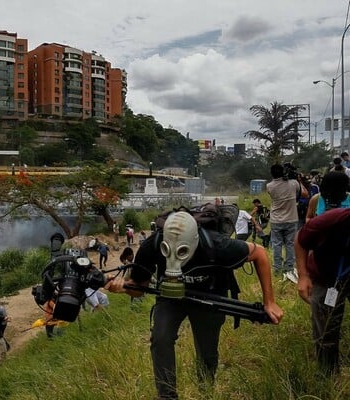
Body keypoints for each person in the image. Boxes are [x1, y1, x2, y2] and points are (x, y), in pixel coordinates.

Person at [105, 211, 283, 400]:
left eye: (181, 251)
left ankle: (206, 389)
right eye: (169, 250)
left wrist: (269, 302)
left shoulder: (217, 245)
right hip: (170, 296)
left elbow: (260, 253)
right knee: (161, 337)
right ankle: (166, 396)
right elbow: (139, 289)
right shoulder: (154, 245)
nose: (174, 257)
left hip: (210, 295)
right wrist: (123, 288)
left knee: (207, 352)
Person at [295, 207, 350, 376]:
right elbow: (301, 240)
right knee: (326, 325)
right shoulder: (332, 220)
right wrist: (303, 276)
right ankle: (328, 372)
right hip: (327, 276)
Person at [267, 163, 308, 281]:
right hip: (291, 218)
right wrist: (298, 179)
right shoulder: (294, 184)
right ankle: (289, 268)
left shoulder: (269, 186)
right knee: (290, 244)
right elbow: (305, 194)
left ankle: (277, 269)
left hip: (276, 219)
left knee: (277, 244)